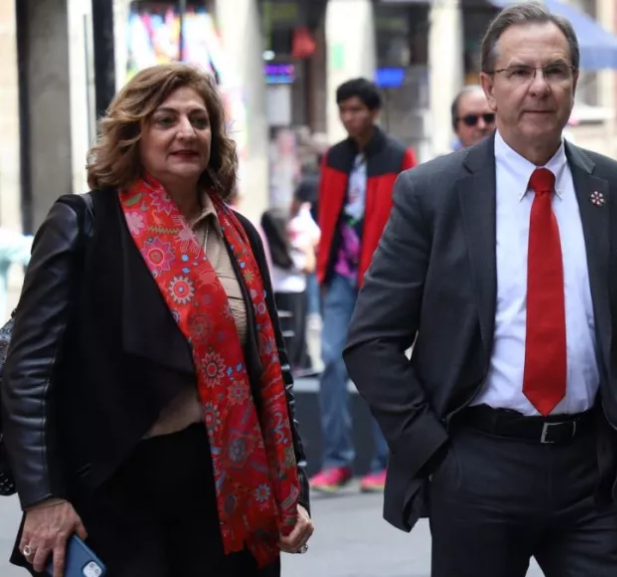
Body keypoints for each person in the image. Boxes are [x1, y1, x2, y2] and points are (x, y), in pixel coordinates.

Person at [342, 4, 617, 576]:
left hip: (599, 472)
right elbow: (371, 341)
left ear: (574, 84)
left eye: (555, 71)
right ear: (489, 89)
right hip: (477, 468)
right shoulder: (432, 194)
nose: (538, 87)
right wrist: (434, 451)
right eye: (520, 72)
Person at [1, 62, 313, 577]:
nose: (187, 132)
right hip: (116, 484)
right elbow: (28, 372)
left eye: (200, 120)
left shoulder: (239, 236)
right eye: (165, 120)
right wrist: (43, 498)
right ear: (134, 134)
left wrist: (291, 488)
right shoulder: (85, 224)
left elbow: (273, 372)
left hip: (228, 485)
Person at [312, 77, 416, 494]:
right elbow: (327, 213)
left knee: (377, 367)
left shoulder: (397, 156)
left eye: (357, 109)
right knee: (331, 363)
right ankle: (337, 461)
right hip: (338, 274)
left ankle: (384, 461)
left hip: (380, 277)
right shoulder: (333, 157)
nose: (349, 117)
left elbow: (410, 217)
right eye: (344, 109)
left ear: (373, 111)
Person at [261, 190, 321, 371]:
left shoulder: (267, 247)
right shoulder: (292, 250)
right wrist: (309, 248)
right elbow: (309, 266)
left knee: (280, 339)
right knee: (295, 339)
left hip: (275, 293)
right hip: (294, 294)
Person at [451, 85, 496, 150]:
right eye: (471, 119)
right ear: (456, 127)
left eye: (488, 117)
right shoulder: (446, 159)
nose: (482, 125)